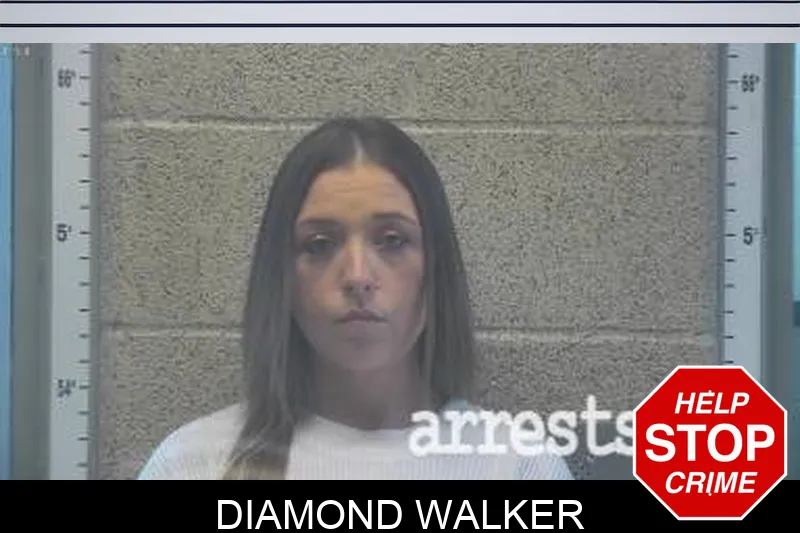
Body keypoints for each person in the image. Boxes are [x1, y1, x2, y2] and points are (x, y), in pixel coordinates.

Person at [137, 116, 573, 480]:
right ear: (282, 276)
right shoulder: (191, 465)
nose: (358, 276)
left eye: (392, 240)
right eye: (320, 244)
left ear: (435, 268)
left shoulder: (517, 466)